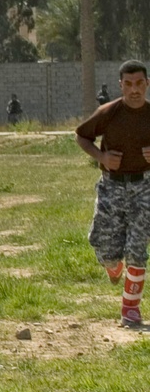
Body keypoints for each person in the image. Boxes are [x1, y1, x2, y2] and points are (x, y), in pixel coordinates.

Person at [75, 60, 150, 328]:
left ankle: (131, 309)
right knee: (106, 248)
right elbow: (82, 136)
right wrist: (102, 156)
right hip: (112, 186)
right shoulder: (108, 112)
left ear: (147, 84)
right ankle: (112, 265)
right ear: (121, 85)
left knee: (137, 248)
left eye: (139, 83)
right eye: (128, 84)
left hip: (145, 187)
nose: (134, 90)